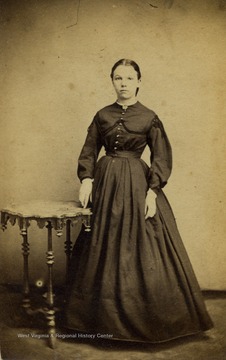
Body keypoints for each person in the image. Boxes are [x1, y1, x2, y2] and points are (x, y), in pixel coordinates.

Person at [64, 59, 213, 343]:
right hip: (106, 185)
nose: (123, 84)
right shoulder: (102, 115)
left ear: (139, 82)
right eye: (118, 78)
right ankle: (99, 320)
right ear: (112, 82)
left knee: (142, 246)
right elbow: (89, 151)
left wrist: (153, 191)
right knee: (101, 246)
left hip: (137, 185)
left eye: (129, 79)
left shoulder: (149, 116)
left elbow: (161, 157)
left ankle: (148, 320)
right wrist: (86, 178)